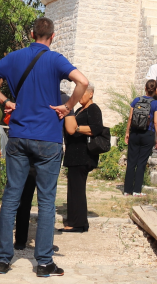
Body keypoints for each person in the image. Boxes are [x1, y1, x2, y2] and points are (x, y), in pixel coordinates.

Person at [0, 17, 89, 278]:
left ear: (31, 34)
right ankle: (43, 262)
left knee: (11, 197)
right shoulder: (55, 59)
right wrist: (68, 106)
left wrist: (5, 100)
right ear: (53, 36)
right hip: (48, 138)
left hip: (18, 136)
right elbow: (82, 81)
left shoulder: (15, 57)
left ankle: (3, 259)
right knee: (47, 201)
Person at [61, 83, 102, 232]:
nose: (79, 97)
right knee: (73, 189)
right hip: (73, 155)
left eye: (82, 93)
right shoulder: (78, 110)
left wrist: (76, 128)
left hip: (83, 155)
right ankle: (73, 221)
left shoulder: (93, 109)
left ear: (90, 94)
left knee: (77, 190)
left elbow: (96, 128)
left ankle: (78, 224)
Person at [123, 80, 157, 196]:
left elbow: (130, 118)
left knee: (131, 162)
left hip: (134, 133)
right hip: (148, 134)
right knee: (141, 163)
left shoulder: (136, 100)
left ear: (145, 88)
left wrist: (127, 132)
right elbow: (156, 122)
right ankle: (136, 191)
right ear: (155, 91)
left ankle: (127, 190)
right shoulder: (156, 104)